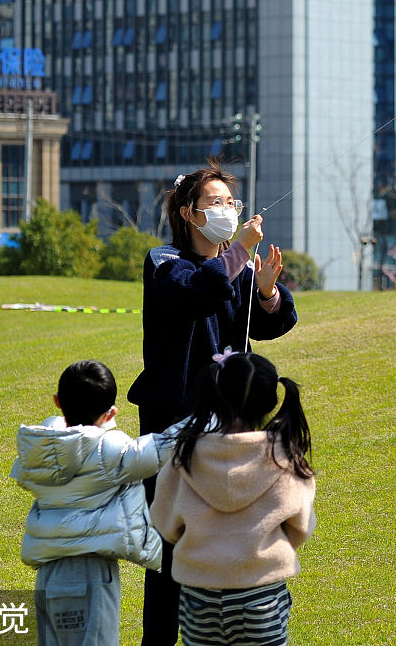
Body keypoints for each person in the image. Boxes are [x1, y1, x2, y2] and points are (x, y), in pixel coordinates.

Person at [128, 159, 299, 644]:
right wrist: (240, 251)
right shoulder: (165, 261)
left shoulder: (236, 268)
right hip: (173, 423)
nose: (227, 210)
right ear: (188, 213)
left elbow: (271, 324)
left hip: (230, 426)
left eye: (231, 202)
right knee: (171, 546)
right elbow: (196, 291)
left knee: (232, 534)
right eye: (215, 202)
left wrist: (267, 291)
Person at [151, 350, 316, 646]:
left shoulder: (185, 454)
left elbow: (164, 521)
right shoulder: (283, 458)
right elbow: (300, 527)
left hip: (200, 595)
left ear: (214, 393)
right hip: (261, 595)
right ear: (271, 401)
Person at [11, 360, 181, 645]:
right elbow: (161, 447)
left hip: (48, 576)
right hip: (92, 575)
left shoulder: (39, 449)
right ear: (111, 413)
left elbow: (21, 474)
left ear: (57, 401)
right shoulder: (108, 451)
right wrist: (209, 416)